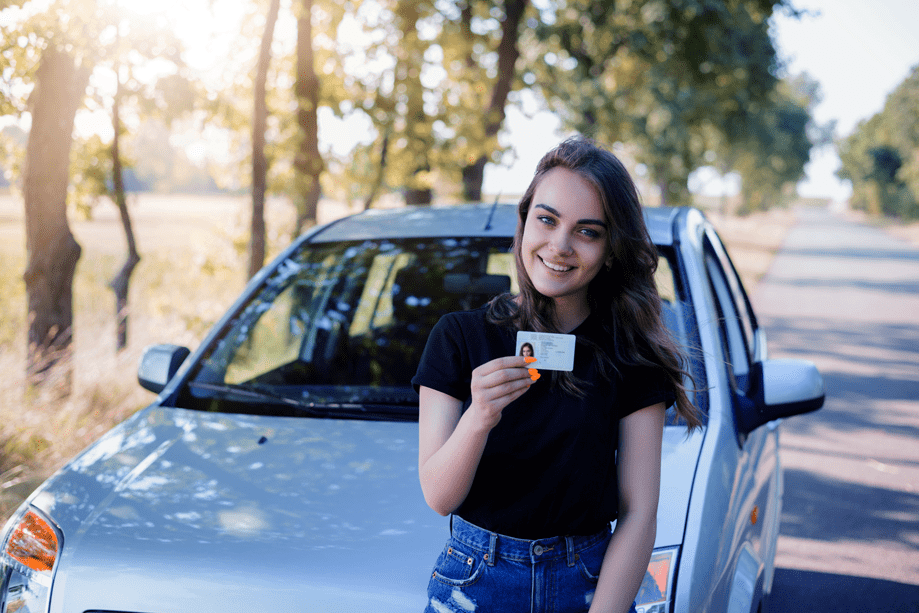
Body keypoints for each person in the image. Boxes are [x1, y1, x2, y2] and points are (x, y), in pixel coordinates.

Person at [412, 136, 701, 613]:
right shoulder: (459, 338)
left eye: (587, 231)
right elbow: (440, 496)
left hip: (587, 581)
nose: (560, 246)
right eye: (547, 219)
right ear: (525, 223)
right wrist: (479, 416)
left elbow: (639, 513)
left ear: (610, 249)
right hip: (474, 580)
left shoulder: (630, 355)